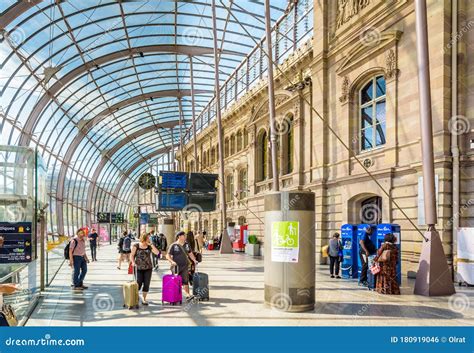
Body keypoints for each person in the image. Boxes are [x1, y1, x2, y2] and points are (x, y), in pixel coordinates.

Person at [130, 233, 160, 305]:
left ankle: (144, 299)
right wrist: (133, 262)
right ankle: (135, 297)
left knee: (146, 284)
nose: (148, 240)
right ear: (143, 239)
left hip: (148, 268)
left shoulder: (149, 246)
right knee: (139, 283)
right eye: (147, 239)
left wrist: (151, 244)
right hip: (139, 268)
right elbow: (132, 255)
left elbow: (157, 252)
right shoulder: (136, 246)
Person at [166, 231, 198, 300]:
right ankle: (175, 295)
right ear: (179, 236)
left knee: (185, 281)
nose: (185, 237)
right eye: (184, 235)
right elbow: (167, 255)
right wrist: (172, 261)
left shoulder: (186, 244)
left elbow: (190, 253)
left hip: (185, 266)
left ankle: (188, 295)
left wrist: (194, 260)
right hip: (176, 267)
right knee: (176, 281)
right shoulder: (173, 245)